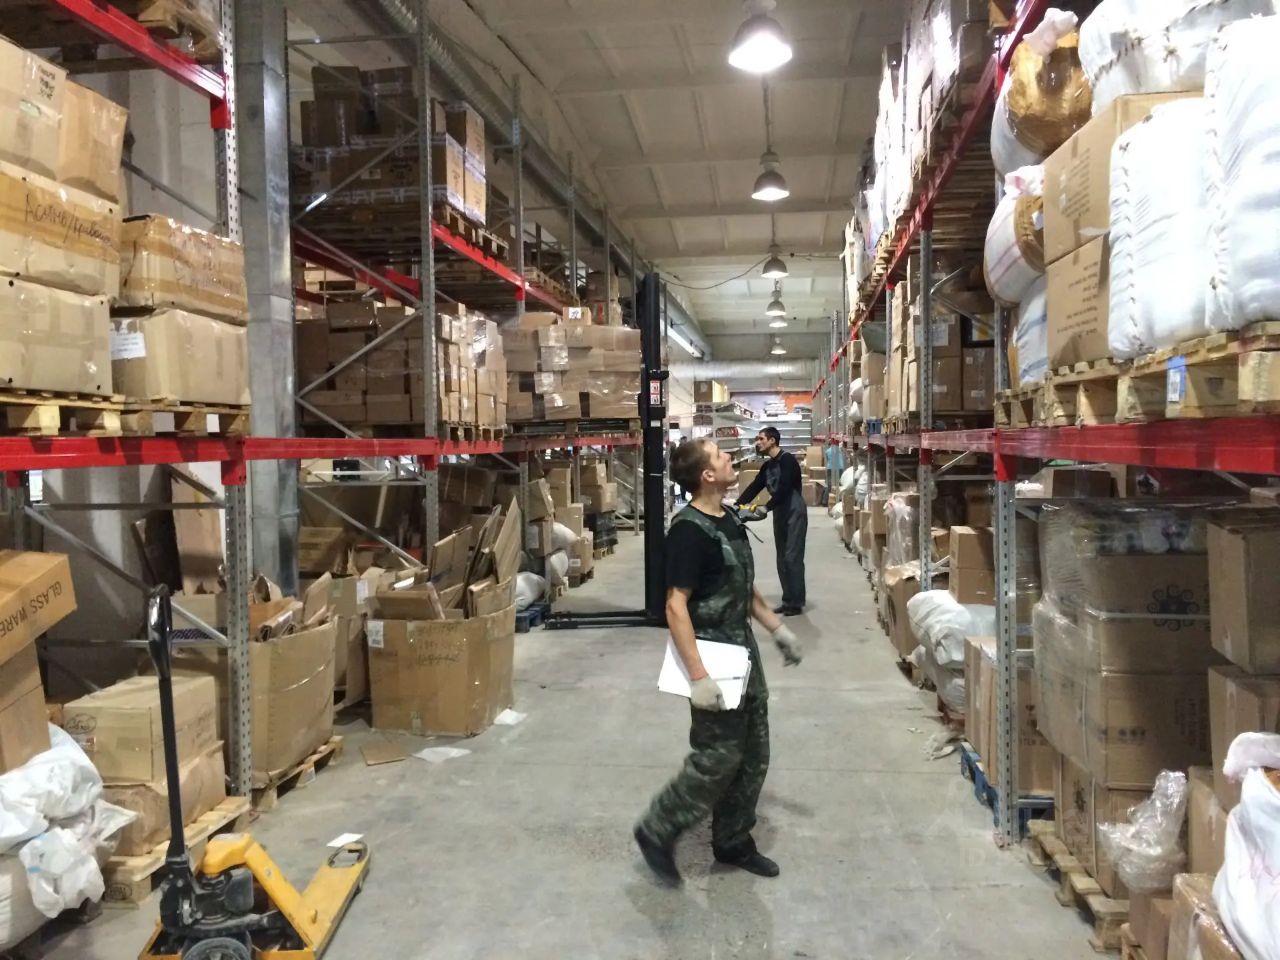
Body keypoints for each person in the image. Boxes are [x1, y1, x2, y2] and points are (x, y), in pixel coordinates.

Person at [634, 438, 803, 885]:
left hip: (743, 653)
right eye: (720, 455)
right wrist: (699, 677)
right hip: (712, 655)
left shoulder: (727, 518)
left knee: (754, 754)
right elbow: (675, 606)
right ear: (707, 475)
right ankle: (657, 828)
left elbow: (743, 586)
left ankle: (732, 840)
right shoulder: (688, 532)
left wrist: (777, 629)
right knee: (718, 757)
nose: (730, 458)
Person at [735, 426, 808, 615]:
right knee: (781, 557)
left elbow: (784, 487)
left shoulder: (788, 460)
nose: (758, 442)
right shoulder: (767, 466)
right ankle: (787, 599)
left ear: (772, 440)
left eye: (761, 439)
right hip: (780, 511)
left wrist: (767, 507)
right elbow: (755, 486)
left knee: (792, 557)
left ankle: (796, 602)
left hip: (794, 510)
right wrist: (737, 505)